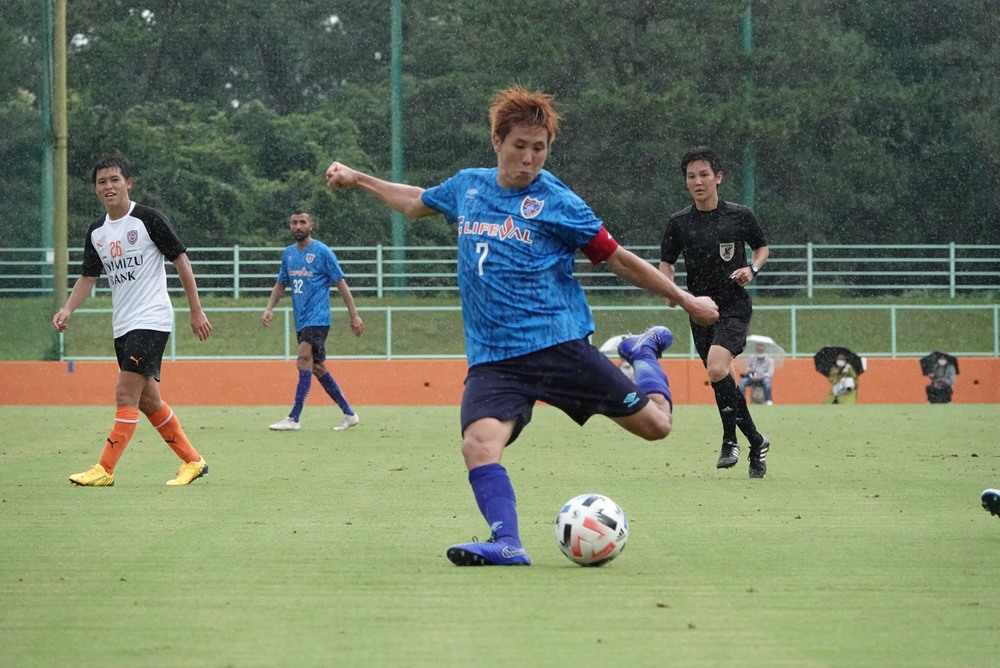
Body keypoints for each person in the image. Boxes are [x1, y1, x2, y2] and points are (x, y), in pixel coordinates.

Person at [325, 86, 719, 566]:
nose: (530, 159)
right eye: (520, 146)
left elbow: (617, 259)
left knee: (657, 426)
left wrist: (682, 299)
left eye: (540, 148)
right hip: (495, 357)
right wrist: (357, 178)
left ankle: (644, 354)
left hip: (558, 346)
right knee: (479, 442)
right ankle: (507, 542)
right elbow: (415, 201)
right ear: (497, 141)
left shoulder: (558, 201)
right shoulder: (469, 186)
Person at [54, 156, 213, 487]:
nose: (108, 186)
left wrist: (195, 310)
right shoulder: (97, 232)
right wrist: (68, 308)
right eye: (102, 182)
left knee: (125, 394)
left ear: (129, 182)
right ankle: (193, 462)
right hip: (123, 324)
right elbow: (88, 276)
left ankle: (104, 469)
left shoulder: (147, 219)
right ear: (96, 190)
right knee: (148, 400)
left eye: (115, 180)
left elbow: (181, 260)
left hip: (151, 318)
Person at [659, 146, 771, 478]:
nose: (698, 181)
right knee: (718, 375)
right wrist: (670, 287)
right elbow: (666, 261)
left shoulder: (740, 215)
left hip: (733, 305)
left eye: (704, 174)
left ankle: (728, 440)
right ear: (686, 182)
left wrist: (752, 268)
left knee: (716, 366)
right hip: (699, 308)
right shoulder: (679, 223)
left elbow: (762, 247)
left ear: (718, 178)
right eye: (691, 176)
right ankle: (756, 441)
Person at [263, 210, 365, 432]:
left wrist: (354, 314)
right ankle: (349, 414)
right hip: (301, 320)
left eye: (303, 222)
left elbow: (341, 284)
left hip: (318, 318)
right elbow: (281, 284)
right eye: (294, 222)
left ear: (311, 226)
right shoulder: (288, 254)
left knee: (302, 358)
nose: (298, 226)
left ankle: (294, 417)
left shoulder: (322, 252)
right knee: (317, 367)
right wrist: (270, 308)